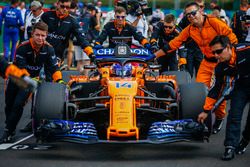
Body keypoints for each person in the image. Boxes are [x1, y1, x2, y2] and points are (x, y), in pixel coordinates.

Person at [154, 2, 238, 134]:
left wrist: (232, 59)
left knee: (218, 94)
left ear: (201, 11)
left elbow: (231, 37)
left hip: (221, 62)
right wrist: (154, 56)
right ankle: (201, 122)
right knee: (199, 93)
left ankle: (220, 117)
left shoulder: (213, 22)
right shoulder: (189, 30)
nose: (191, 17)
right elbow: (173, 44)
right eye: (188, 15)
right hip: (206, 62)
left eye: (193, 13)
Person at [0, 21, 64, 143]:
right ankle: (10, 128)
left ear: (46, 35)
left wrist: (60, 80)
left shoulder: (49, 49)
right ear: (32, 34)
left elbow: (54, 68)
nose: (40, 38)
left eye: (43, 35)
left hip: (30, 82)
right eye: (37, 35)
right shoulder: (22, 47)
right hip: (16, 77)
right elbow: (21, 67)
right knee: (9, 105)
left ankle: (8, 131)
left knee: (18, 104)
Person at [197, 35, 250, 161]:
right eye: (214, 52)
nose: (216, 55)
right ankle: (230, 147)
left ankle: (245, 140)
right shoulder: (220, 67)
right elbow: (215, 89)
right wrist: (206, 111)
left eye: (218, 51)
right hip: (241, 87)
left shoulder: (246, 49)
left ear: (228, 47)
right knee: (234, 116)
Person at [178, 0, 205, 78]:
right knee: (188, 73)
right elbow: (178, 29)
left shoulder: (207, 18)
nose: (200, 8)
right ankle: (187, 89)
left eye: (201, 6)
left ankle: (200, 89)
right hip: (188, 49)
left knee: (200, 74)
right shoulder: (187, 18)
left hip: (200, 50)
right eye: (198, 6)